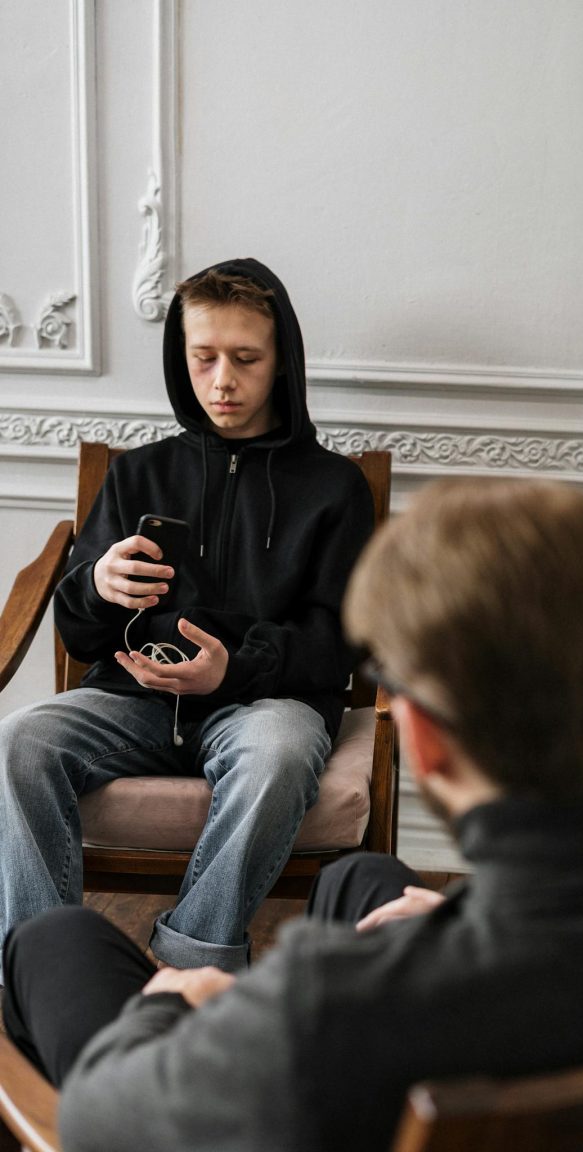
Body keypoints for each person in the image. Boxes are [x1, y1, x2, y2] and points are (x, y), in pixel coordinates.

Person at [7, 477, 583, 1152]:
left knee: (57, 937)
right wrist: (459, 913)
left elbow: (100, 1123)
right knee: (361, 880)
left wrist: (174, 1006)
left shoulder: (321, 1010)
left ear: (424, 742)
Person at [0, 257, 374, 976]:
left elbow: (339, 645)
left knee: (279, 755)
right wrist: (97, 587)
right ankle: (47, 966)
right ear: (182, 359)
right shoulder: (137, 473)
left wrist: (236, 667)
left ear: (283, 361)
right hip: (135, 698)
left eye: (245, 359)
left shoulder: (335, 489)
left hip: (266, 705)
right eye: (203, 359)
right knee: (17, 742)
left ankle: (186, 964)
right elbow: (83, 636)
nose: (222, 381)